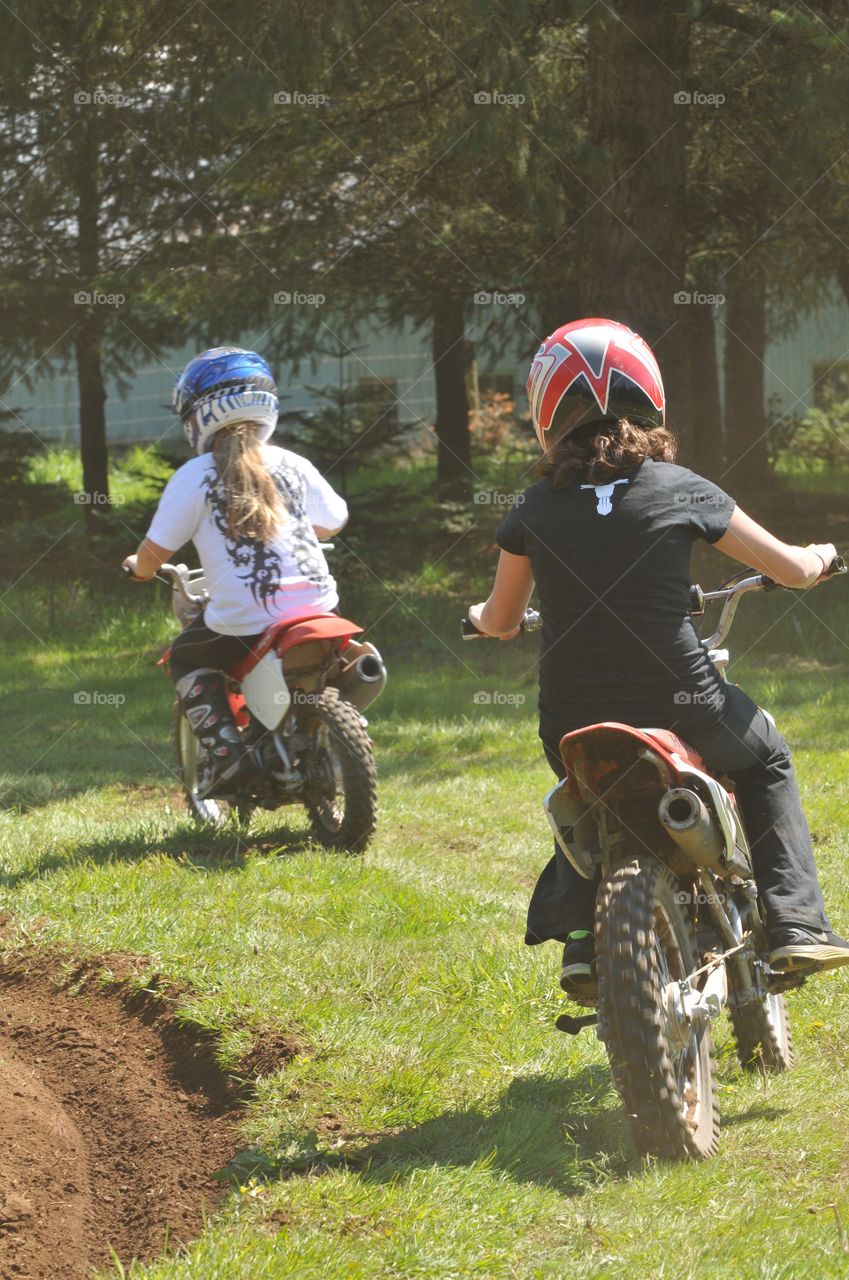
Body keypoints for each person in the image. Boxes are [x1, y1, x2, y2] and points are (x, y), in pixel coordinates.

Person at [469, 317, 849, 998]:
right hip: (684, 703)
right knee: (765, 760)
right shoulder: (681, 487)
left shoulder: (531, 508)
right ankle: (795, 925)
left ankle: (584, 940)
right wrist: (819, 557)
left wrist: (478, 618)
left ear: (544, 412)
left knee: (587, 800)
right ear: (649, 397)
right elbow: (789, 570)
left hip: (570, 717)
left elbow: (499, 621)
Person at [123, 346, 348, 797]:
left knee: (187, 653)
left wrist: (139, 569)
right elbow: (334, 520)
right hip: (321, 609)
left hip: (244, 621)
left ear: (196, 414)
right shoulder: (293, 463)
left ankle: (228, 756)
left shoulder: (194, 475)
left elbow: (155, 550)